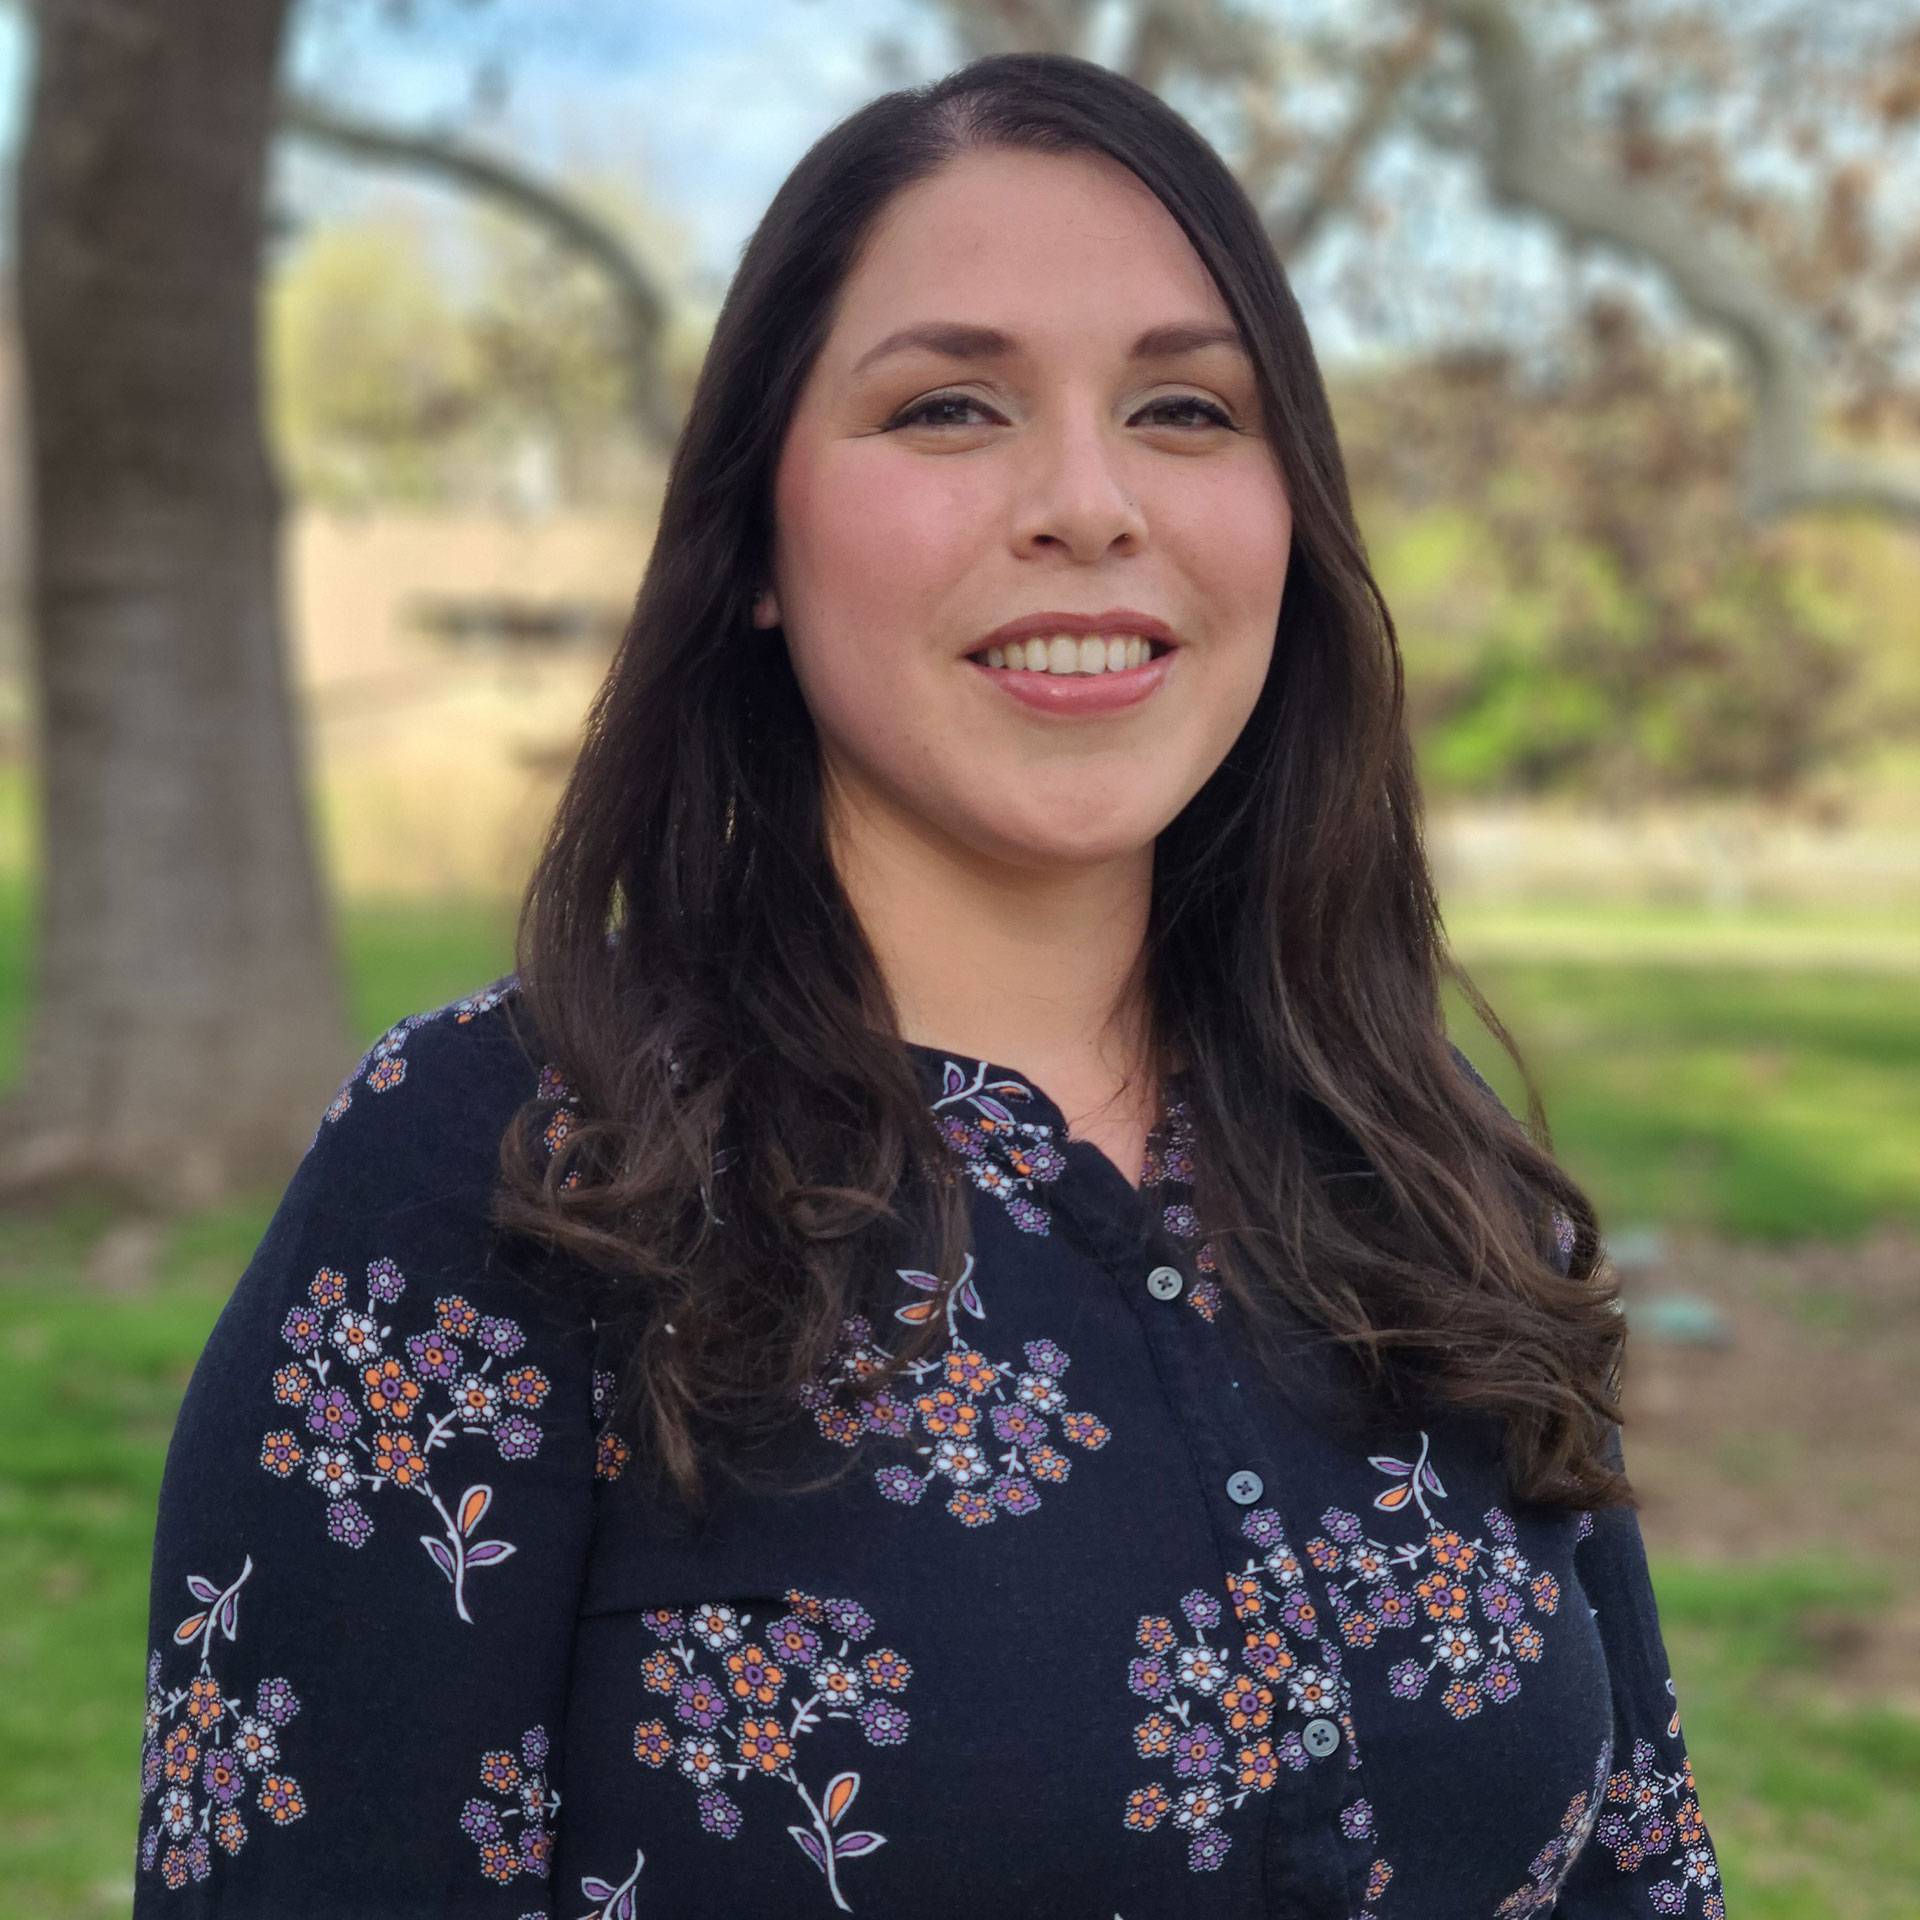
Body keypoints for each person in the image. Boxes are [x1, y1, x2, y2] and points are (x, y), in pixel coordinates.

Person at [134, 50, 1726, 1919]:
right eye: (952, 406)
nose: (1088, 501)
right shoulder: (502, 1179)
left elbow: (1639, 1868)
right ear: (753, 549)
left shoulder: (1421, 1162)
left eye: (1189, 410)